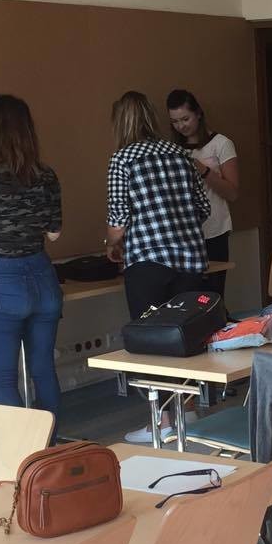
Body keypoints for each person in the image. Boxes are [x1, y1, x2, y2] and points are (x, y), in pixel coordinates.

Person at [107, 90, 209, 445]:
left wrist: (111, 244)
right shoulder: (181, 154)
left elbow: (118, 220)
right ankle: (189, 410)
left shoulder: (122, 159)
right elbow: (203, 209)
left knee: (152, 343)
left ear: (120, 123)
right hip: (190, 258)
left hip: (147, 263)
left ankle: (162, 421)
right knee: (188, 337)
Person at [0, 94, 64, 418]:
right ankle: (50, 444)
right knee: (43, 370)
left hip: (4, 278)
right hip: (43, 276)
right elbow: (54, 233)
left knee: (4, 379)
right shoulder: (46, 175)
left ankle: (21, 448)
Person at [169, 88, 239, 296]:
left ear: (198, 113)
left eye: (185, 119)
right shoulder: (172, 149)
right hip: (182, 234)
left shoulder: (221, 144)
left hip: (214, 230)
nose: (181, 126)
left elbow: (232, 193)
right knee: (187, 297)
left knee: (213, 296)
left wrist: (204, 171)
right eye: (175, 121)